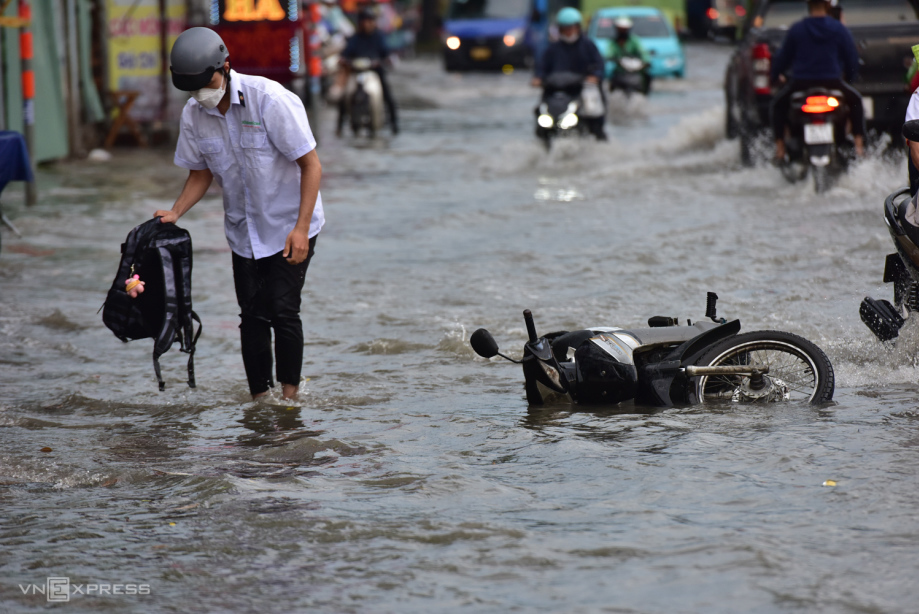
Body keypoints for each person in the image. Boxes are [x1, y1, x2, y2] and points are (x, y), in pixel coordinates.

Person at [157, 27, 324, 401]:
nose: (201, 94)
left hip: (288, 224)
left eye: (206, 83)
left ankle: (290, 401)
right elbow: (200, 173)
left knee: (282, 311)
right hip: (242, 229)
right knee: (251, 316)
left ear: (226, 67)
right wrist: (175, 212)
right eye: (191, 88)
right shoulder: (194, 114)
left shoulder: (271, 100)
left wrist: (300, 230)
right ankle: (259, 403)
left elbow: (311, 165)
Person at [770, 0, 864, 162]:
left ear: (808, 5)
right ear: (828, 6)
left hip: (800, 83)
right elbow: (851, 59)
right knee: (856, 101)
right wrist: (850, 79)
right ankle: (859, 148)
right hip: (833, 83)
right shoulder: (839, 29)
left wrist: (774, 78)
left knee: (777, 106)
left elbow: (781, 59)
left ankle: (779, 150)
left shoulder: (797, 29)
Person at [532, 7, 607, 140]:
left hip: (581, 89)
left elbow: (599, 65)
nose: (568, 32)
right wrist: (538, 78)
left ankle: (597, 135)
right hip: (556, 91)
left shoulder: (588, 46)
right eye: (565, 29)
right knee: (541, 113)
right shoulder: (552, 49)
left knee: (593, 112)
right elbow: (541, 67)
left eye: (571, 28)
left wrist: (595, 76)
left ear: (578, 28)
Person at [337, 8, 399, 135]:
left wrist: (386, 60)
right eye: (364, 21)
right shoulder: (355, 38)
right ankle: (340, 127)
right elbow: (346, 54)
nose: (367, 24)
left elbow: (386, 53)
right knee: (345, 95)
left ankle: (394, 125)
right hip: (357, 73)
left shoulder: (379, 37)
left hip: (375, 72)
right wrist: (344, 60)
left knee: (388, 97)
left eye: (370, 21)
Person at [605, 17, 651, 94]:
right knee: (611, 79)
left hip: (635, 70)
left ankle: (644, 94)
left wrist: (646, 62)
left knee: (647, 77)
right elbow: (608, 54)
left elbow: (643, 52)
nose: (622, 31)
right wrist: (614, 59)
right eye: (620, 29)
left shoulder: (634, 40)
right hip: (620, 70)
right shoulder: (612, 42)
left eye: (624, 29)